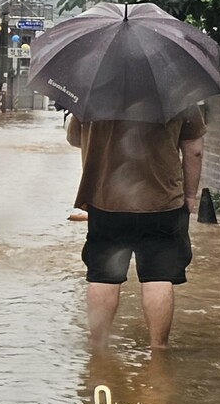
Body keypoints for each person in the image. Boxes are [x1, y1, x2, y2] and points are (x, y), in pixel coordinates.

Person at [66, 108, 205, 350]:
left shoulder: (93, 93)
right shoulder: (178, 91)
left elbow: (75, 139)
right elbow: (194, 150)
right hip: (162, 201)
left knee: (102, 275)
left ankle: (98, 352)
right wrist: (191, 195)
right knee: (158, 275)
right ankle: (158, 351)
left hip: (106, 199)